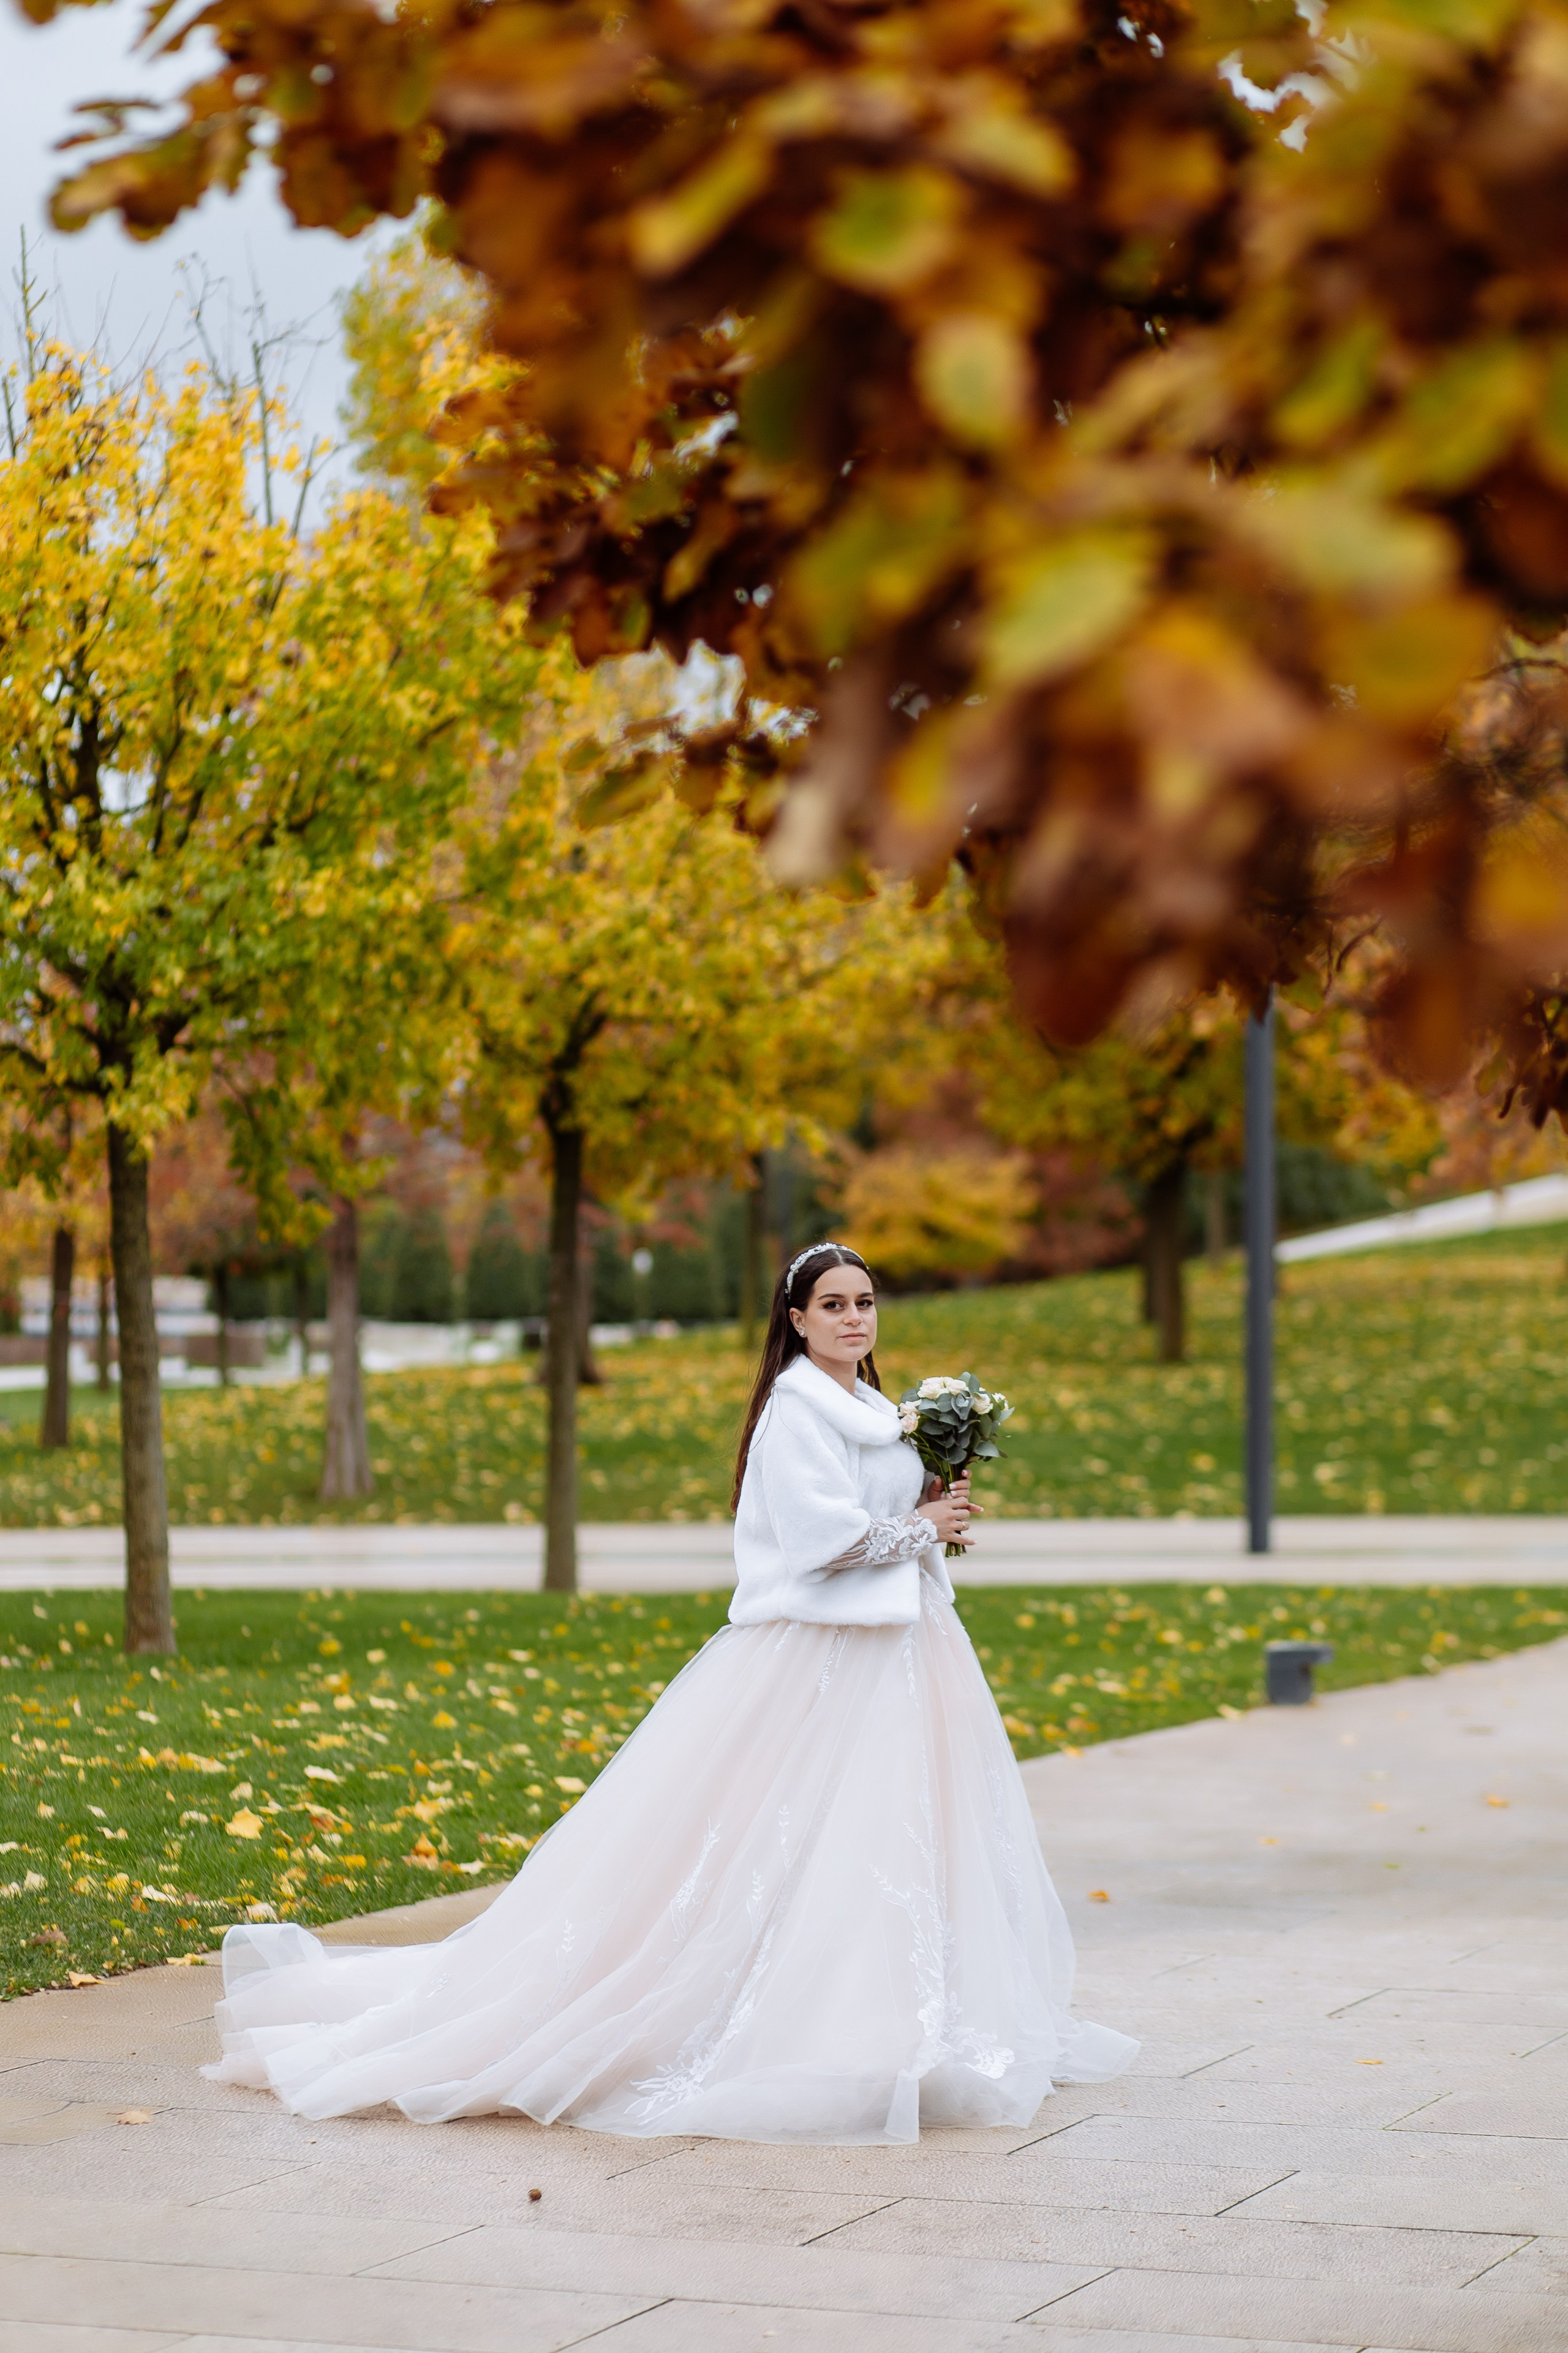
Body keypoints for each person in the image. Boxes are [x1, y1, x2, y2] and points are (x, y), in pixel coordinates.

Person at [203, 1241, 1137, 2142]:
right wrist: (919, 1524)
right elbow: (819, 1540)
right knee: (787, 1840)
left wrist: (934, 1499)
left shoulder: (873, 1406)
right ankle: (796, 2029)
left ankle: (908, 2021)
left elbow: (882, 1511)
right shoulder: (796, 1411)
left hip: (903, 1649)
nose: (854, 1317)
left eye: (865, 1301)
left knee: (896, 1838)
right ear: (797, 1319)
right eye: (834, 1304)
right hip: (815, 1655)